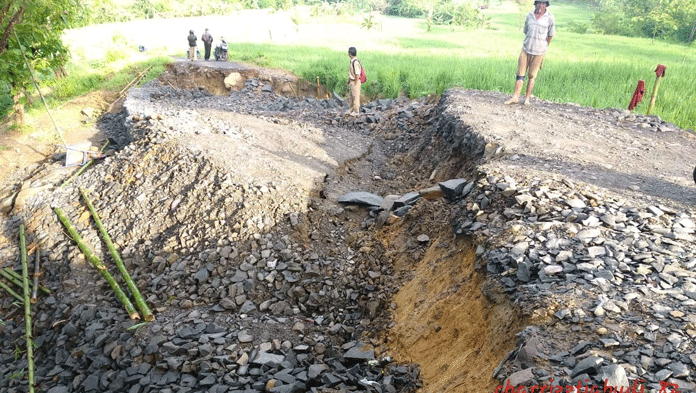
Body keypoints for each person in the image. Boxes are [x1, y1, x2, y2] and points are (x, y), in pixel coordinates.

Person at [505, 0, 555, 106]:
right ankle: (515, 97)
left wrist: (544, 45)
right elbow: (526, 31)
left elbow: (550, 35)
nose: (540, 5)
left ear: (546, 5)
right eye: (538, 3)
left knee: (532, 76)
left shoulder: (550, 18)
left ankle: (527, 99)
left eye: (543, 3)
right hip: (526, 49)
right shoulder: (529, 16)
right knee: (520, 74)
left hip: (539, 52)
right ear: (535, 4)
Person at [347, 47, 362, 115]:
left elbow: (357, 74)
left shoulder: (355, 62)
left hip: (355, 81)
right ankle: (351, 110)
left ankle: (356, 111)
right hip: (352, 81)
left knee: (355, 97)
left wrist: (355, 83)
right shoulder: (352, 61)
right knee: (351, 97)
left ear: (350, 54)